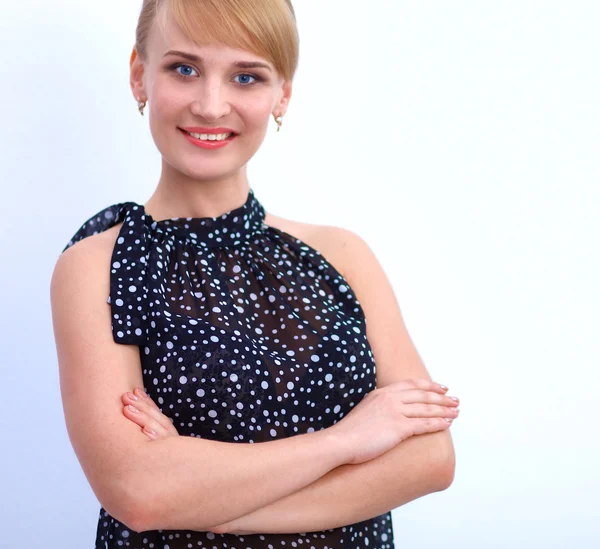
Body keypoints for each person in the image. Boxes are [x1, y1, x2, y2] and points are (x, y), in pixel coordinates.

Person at [50, 0, 459, 547]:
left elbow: (430, 459)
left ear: (281, 94)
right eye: (184, 69)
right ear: (139, 74)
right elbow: (139, 491)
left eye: (246, 76)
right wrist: (348, 441)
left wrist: (215, 508)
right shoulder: (99, 265)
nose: (211, 105)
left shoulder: (342, 255)